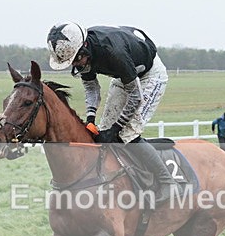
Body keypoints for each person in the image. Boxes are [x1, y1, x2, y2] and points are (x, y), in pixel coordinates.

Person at [47, 22, 179, 202]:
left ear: (84, 47)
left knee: (127, 134)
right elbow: (91, 88)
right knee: (103, 132)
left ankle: (167, 182)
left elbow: (135, 97)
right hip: (124, 76)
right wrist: (91, 118)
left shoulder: (112, 53)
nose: (76, 66)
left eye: (76, 60)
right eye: (72, 63)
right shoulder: (83, 54)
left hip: (149, 75)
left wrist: (116, 128)